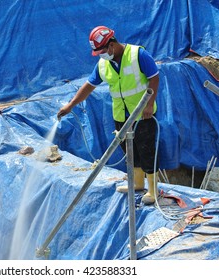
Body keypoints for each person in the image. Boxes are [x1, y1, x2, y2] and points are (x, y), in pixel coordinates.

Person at [57, 26, 160, 205]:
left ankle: (153, 191)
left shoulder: (138, 55)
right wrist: (71, 105)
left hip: (143, 114)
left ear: (112, 44)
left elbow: (154, 76)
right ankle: (136, 183)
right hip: (121, 114)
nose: (101, 55)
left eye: (103, 51)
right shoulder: (103, 64)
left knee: (147, 150)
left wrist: (149, 103)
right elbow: (89, 85)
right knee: (129, 151)